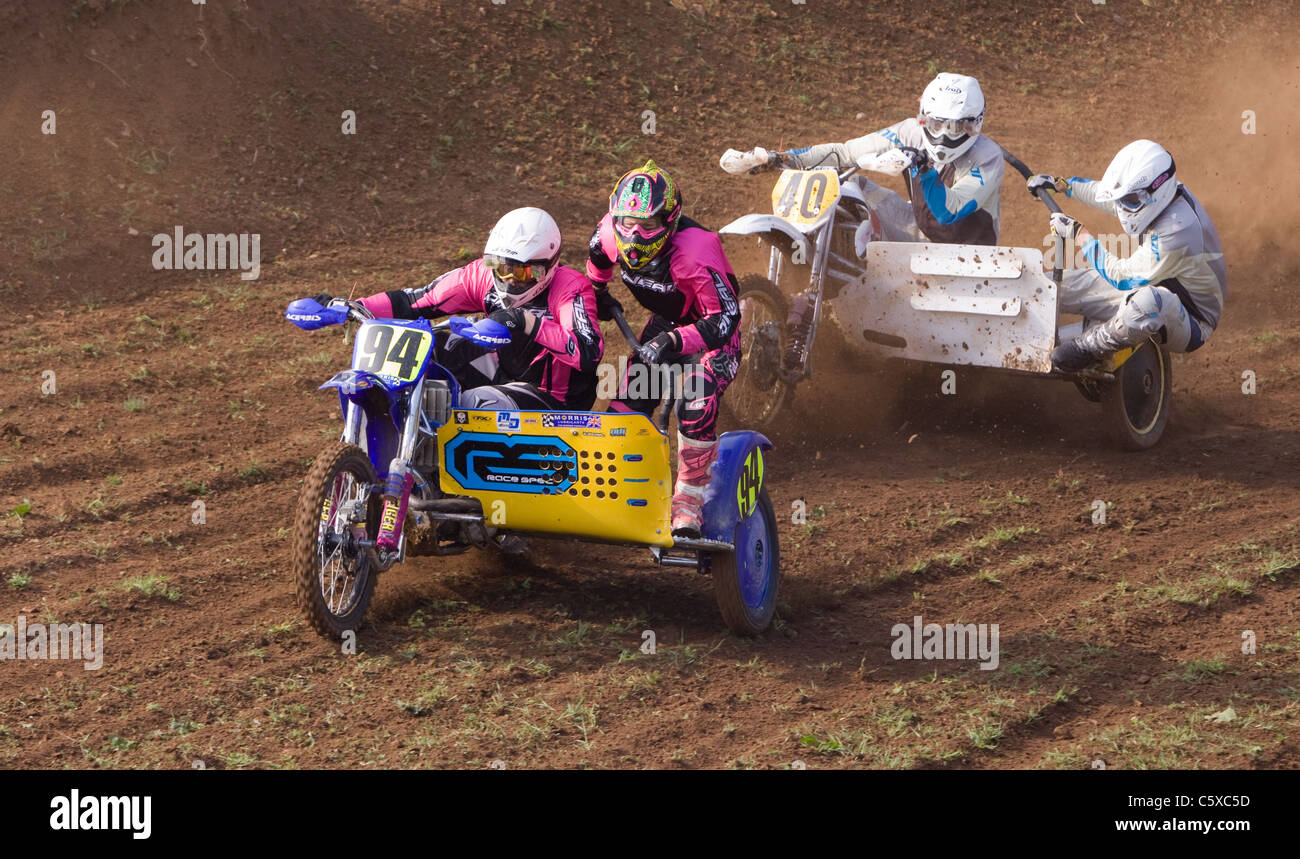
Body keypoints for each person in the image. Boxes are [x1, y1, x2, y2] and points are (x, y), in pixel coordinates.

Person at [586, 159, 742, 538]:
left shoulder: (696, 252)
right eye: (628, 223)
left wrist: (673, 341)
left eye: (649, 225)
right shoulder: (608, 233)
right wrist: (599, 293)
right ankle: (616, 483)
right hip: (667, 323)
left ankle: (689, 497)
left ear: (669, 222)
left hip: (710, 329)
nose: (636, 234)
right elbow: (596, 261)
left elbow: (726, 321)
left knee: (697, 395)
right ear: (614, 217)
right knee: (628, 402)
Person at [317, 207, 603, 410]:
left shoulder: (571, 288)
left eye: (525, 273)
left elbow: (588, 352)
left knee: (472, 404)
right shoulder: (480, 275)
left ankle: (445, 469)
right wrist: (351, 305)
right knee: (428, 346)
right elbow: (416, 301)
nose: (510, 280)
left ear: (551, 265)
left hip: (555, 401)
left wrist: (525, 321)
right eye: (501, 269)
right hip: (504, 370)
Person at [720, 72, 1006, 246]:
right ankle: (831, 263)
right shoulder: (908, 132)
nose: (944, 135)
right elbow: (845, 153)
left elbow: (949, 211)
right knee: (849, 186)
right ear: (923, 118)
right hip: (918, 232)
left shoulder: (987, 157)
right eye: (936, 124)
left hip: (970, 256)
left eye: (956, 127)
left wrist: (924, 167)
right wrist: (779, 158)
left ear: (974, 124)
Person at [1027, 139, 1227, 370]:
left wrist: (1079, 233)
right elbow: (1115, 198)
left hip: (1191, 320)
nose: (1122, 210)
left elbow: (1121, 278)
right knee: (1053, 284)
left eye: (1130, 201)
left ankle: (1088, 347)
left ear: (1156, 191)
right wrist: (1064, 185)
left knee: (1149, 301)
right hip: (1155, 281)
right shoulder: (1159, 193)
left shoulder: (1177, 232)